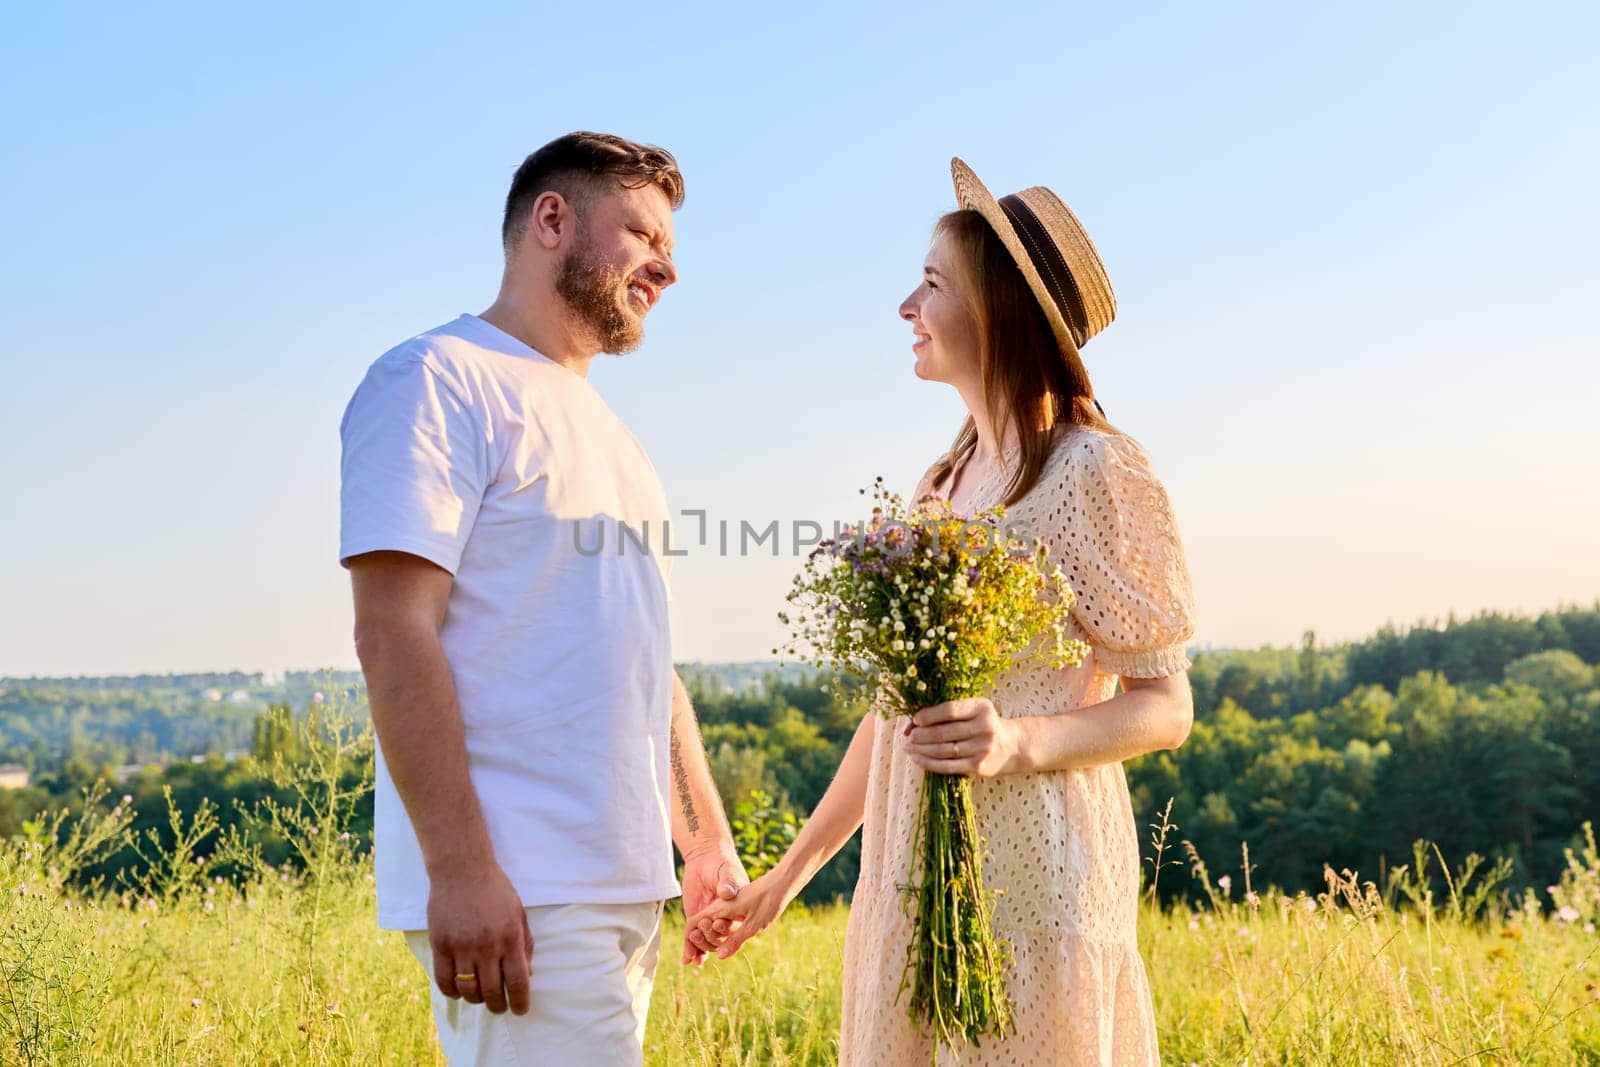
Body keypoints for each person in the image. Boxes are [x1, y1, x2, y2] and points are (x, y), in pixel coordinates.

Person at [690, 158, 1198, 1065]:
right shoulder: (938, 485)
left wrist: (1018, 741)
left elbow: (1167, 706)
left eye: (930, 284)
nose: (904, 307)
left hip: (1037, 886)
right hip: (911, 885)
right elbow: (895, 720)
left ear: (999, 310)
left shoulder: (1093, 472)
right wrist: (784, 878)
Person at [339, 131, 745, 1067]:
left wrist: (705, 839)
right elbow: (393, 631)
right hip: (523, 892)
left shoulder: (617, 437)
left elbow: (645, 660)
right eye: (643, 235)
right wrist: (461, 870)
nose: (668, 268)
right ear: (553, 220)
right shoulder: (434, 379)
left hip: (619, 886)